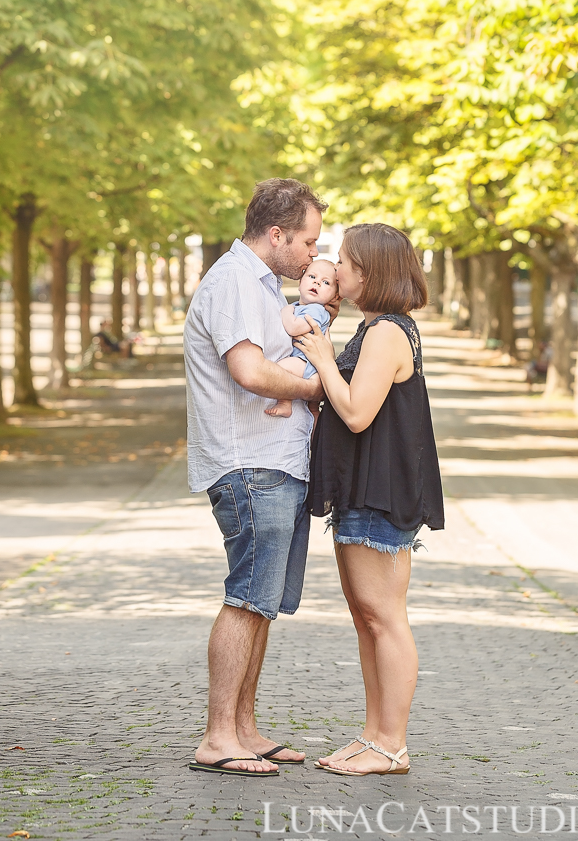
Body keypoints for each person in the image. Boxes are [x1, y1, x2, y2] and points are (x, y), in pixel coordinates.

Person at [184, 178, 336, 778]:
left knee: (262, 603)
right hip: (250, 463)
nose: (311, 255)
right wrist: (312, 388)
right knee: (247, 597)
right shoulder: (234, 283)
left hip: (275, 460)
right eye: (308, 241)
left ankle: (244, 728)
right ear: (276, 234)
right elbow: (248, 370)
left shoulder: (262, 285)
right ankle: (219, 735)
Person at [297, 222, 444, 777]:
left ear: (371, 271)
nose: (338, 268)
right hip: (364, 488)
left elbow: (357, 411)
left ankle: (392, 745)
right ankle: (373, 735)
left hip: (380, 493)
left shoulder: (386, 333)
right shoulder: (378, 327)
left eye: (348, 260)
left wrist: (322, 356)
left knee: (384, 618)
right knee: (367, 619)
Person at [264, 259, 338, 419]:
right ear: (300, 283)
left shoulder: (317, 310)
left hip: (306, 362)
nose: (317, 282)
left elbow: (294, 328)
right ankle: (314, 437)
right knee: (313, 410)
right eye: (312, 277)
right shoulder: (303, 307)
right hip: (308, 362)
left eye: (326, 282)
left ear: (334, 296)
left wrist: (286, 311)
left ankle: (285, 402)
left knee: (281, 368)